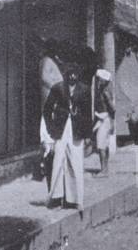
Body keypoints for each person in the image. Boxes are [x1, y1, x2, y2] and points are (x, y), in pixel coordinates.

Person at [42, 64, 91, 209]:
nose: (73, 76)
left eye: (75, 74)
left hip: (77, 130)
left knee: (76, 163)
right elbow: (47, 110)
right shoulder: (58, 88)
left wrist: (88, 134)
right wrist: (51, 129)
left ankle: (75, 200)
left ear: (78, 75)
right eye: (70, 73)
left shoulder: (84, 89)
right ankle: (56, 198)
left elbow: (87, 113)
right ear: (66, 74)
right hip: (61, 129)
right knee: (58, 162)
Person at [93, 69, 115, 177]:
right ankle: (105, 168)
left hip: (104, 119)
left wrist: (112, 121)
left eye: (99, 79)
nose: (97, 81)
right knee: (104, 145)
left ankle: (103, 170)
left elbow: (112, 108)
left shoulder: (105, 92)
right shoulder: (102, 91)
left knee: (101, 145)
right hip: (104, 119)